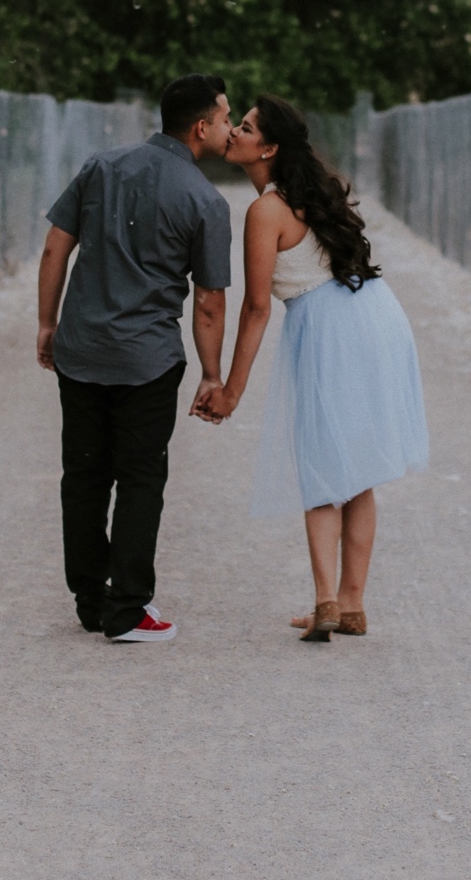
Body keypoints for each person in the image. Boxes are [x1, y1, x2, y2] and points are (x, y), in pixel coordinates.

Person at [194, 95, 428, 641]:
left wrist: (231, 390)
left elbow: (256, 308)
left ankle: (326, 600)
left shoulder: (264, 211)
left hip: (331, 327)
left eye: (245, 128)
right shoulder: (312, 194)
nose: (234, 134)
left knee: (323, 462)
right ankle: (351, 605)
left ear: (268, 148)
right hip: (372, 313)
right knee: (358, 468)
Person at [37, 74, 233, 642]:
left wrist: (48, 324)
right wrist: (212, 373)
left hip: (82, 349)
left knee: (84, 474)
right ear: (201, 127)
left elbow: (56, 247)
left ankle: (89, 599)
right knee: (141, 478)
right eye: (224, 119)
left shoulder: (101, 166)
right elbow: (210, 302)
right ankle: (127, 610)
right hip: (147, 360)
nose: (227, 127)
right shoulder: (204, 200)